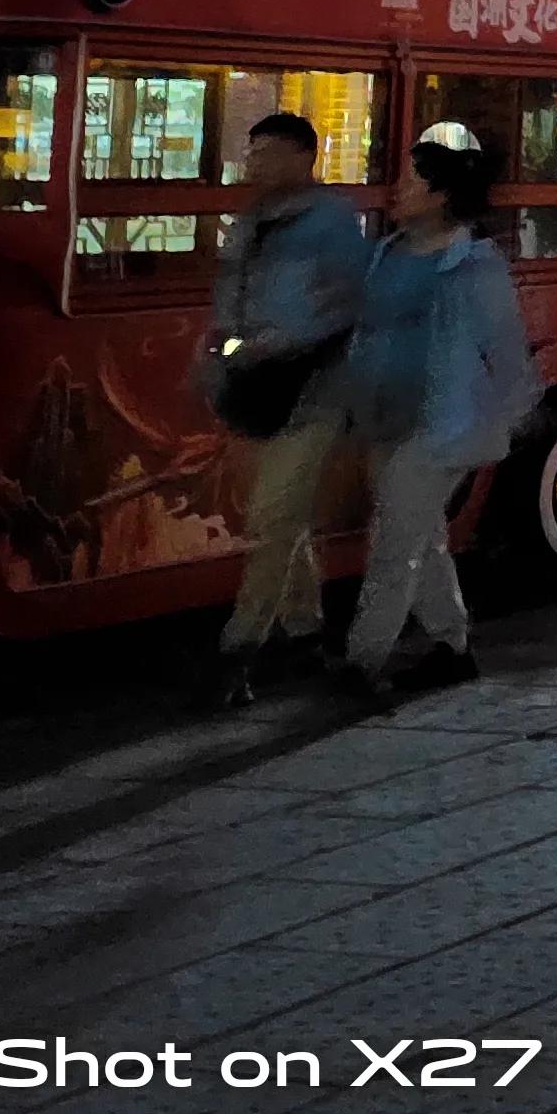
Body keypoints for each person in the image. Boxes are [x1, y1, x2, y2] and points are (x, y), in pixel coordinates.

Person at [341, 120, 538, 697]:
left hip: (443, 426)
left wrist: (513, 415)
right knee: (421, 537)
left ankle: (363, 659)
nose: (396, 190)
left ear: (440, 194)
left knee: (394, 544)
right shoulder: (387, 253)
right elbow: (367, 332)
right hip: (386, 418)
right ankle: (452, 646)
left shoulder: (475, 266)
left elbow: (506, 351)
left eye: (409, 181)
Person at [200, 108, 367, 706]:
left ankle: (238, 650)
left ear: (304, 158)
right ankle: (304, 629)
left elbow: (346, 305)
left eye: (269, 153)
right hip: (257, 390)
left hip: (313, 392)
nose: (256, 164)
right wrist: (224, 351)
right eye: (253, 154)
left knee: (271, 519)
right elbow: (229, 298)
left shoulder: (333, 222)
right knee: (282, 517)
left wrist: (277, 342)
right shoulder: (250, 221)